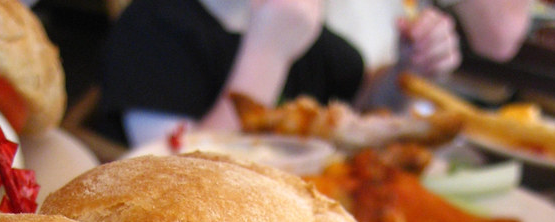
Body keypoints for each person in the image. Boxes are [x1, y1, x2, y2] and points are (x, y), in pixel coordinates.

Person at [98, 0, 462, 147]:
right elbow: (172, 175)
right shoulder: (155, 27)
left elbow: (362, 115)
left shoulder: (313, 37)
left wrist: (407, 70)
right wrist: (267, 52)